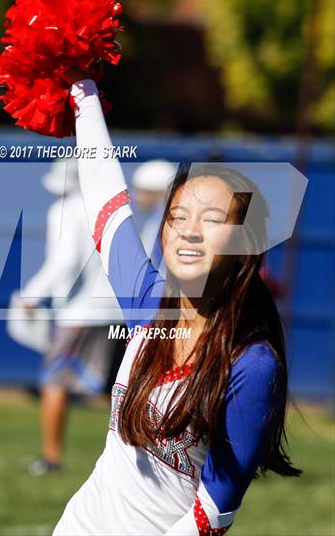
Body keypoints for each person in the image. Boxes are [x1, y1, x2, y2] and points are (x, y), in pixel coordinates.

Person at [52, 78, 301, 534]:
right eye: (178, 216)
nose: (189, 230)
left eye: (211, 220)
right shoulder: (149, 307)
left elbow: (215, 510)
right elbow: (106, 203)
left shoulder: (251, 363)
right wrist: (83, 91)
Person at [19, 159, 125, 475]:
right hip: (115, 309)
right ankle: (137, 457)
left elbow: (65, 260)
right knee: (118, 388)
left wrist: (32, 294)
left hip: (79, 311)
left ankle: (52, 457)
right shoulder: (112, 206)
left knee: (54, 380)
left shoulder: (66, 209)